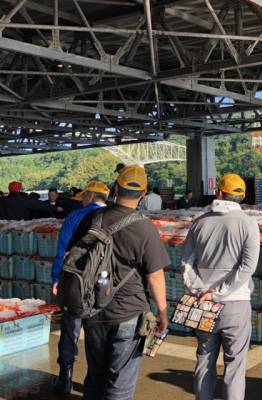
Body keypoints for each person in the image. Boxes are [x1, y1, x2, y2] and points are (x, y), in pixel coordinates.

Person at [67, 165, 170, 400]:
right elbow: (155, 275)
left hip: (92, 307)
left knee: (96, 375)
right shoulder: (145, 228)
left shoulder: (92, 219)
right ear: (143, 193)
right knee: (120, 383)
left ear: (115, 188)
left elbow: (73, 255)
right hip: (128, 312)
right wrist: (163, 312)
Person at [181, 173, 260, 400]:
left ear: (219, 192)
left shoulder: (199, 222)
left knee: (204, 359)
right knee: (235, 365)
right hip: (235, 303)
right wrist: (220, 292)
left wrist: (200, 291)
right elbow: (247, 267)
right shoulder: (248, 223)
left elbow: (186, 262)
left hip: (203, 304)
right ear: (242, 197)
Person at [50, 181, 110, 394]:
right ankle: (94, 384)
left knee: (70, 330)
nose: (82, 199)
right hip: (103, 286)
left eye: (84, 196)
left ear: (91, 196)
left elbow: (63, 251)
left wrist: (56, 278)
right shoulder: (115, 216)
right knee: (98, 334)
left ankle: (65, 378)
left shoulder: (75, 217)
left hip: (74, 282)